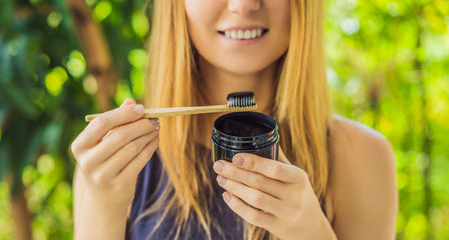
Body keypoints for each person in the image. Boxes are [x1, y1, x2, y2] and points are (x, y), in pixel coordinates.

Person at [71, 0, 398, 239]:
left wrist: (312, 233)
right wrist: (102, 208)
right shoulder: (116, 160)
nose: (244, 5)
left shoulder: (363, 155)